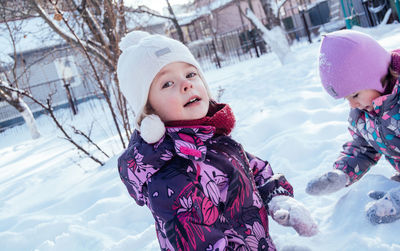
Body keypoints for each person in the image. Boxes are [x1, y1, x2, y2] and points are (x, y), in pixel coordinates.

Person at [117, 31, 317, 250]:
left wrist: (278, 198)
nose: (186, 84)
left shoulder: (211, 139)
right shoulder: (170, 178)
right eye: (167, 83)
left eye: (191, 74)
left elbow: (254, 170)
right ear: (149, 111)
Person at [306, 29, 400, 224]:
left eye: (355, 95)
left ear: (377, 76)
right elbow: (363, 147)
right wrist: (341, 174)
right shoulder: (363, 114)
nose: (352, 104)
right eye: (346, 98)